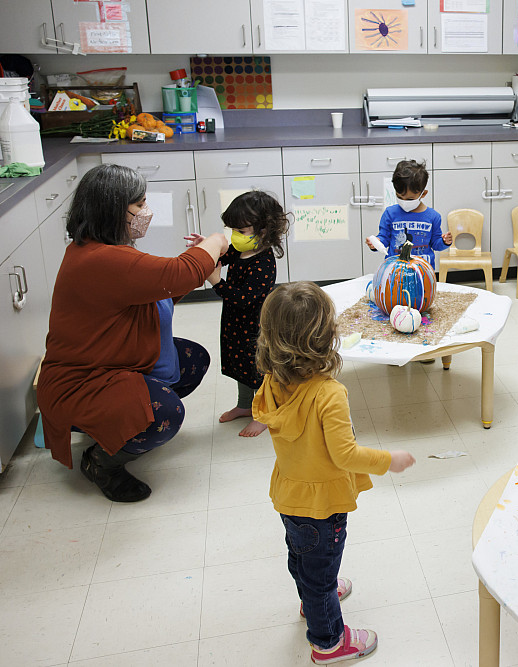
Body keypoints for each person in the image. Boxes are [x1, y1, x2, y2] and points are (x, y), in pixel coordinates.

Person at [37, 163, 228, 502]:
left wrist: (197, 266)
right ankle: (101, 463)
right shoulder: (98, 260)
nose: (146, 211)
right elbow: (179, 273)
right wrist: (214, 242)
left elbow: (162, 285)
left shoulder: (106, 251)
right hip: (80, 383)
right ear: (112, 210)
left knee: (192, 360)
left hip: (110, 362)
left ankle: (124, 425)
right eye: (138, 204)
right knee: (166, 411)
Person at [253, 281, 416, 664]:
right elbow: (345, 455)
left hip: (289, 493)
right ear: (324, 338)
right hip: (323, 505)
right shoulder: (329, 394)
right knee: (322, 571)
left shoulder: (272, 381)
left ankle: (311, 599)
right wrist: (388, 460)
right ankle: (328, 641)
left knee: (300, 555)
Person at [209, 190, 289, 437]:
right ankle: (245, 405)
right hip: (234, 324)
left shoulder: (264, 262)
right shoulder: (240, 249)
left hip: (255, 327)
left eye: (240, 231)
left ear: (263, 231)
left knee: (260, 370)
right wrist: (206, 246)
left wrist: (216, 282)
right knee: (240, 366)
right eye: (232, 230)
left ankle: (265, 415)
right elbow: (223, 255)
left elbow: (243, 298)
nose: (234, 237)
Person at [365, 159, 452, 268]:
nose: (404, 202)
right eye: (400, 197)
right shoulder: (390, 213)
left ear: (423, 194)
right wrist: (376, 243)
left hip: (422, 271)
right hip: (395, 270)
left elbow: (436, 244)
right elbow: (384, 238)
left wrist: (444, 242)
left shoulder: (433, 217)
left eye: (410, 199)